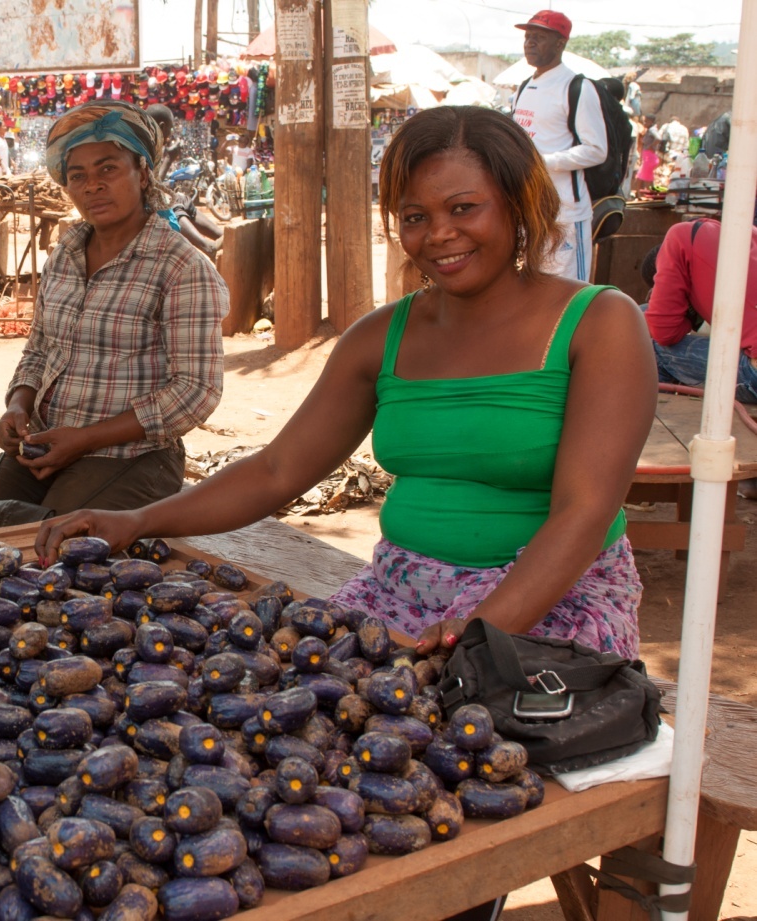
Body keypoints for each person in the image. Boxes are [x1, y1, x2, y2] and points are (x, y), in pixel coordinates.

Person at [38, 106, 655, 674]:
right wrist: (138, 520)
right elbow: (276, 472)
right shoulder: (381, 336)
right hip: (398, 593)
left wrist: (477, 633)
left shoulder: (599, 323)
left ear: (519, 204)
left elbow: (584, 512)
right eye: (415, 217)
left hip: (549, 602)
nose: (439, 234)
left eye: (464, 208)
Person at [0, 99, 227, 538]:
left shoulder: (182, 267)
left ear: (143, 173)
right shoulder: (65, 255)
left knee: (44, 550)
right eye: (78, 175)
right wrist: (18, 405)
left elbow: (196, 391)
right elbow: (40, 349)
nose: (93, 186)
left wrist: (85, 439)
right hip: (45, 446)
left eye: (108, 169)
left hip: (132, 457)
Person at [510, 10, 608, 282]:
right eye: (528, 37)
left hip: (566, 213)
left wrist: (543, 162)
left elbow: (596, 150)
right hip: (530, 208)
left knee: (569, 290)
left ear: (560, 43)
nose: (530, 43)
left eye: (539, 37)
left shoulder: (577, 87)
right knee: (534, 286)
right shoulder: (524, 88)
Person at [641, 218, 757, 404]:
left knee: (647, 345)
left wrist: (686, 316)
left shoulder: (679, 237)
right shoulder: (743, 233)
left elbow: (663, 332)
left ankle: (664, 417)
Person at [144, 103, 224, 258]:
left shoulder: (150, 144)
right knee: (173, 205)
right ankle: (207, 246)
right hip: (139, 207)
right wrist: (169, 159)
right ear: (161, 126)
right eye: (169, 129)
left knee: (182, 199)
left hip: (145, 199)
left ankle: (222, 236)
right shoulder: (143, 147)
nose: (169, 134)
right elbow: (151, 187)